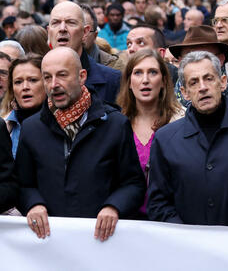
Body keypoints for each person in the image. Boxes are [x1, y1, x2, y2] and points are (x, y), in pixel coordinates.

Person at [15, 48, 145, 240]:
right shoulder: (31, 128)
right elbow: (22, 184)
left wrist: (113, 206)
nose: (54, 85)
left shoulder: (115, 124)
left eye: (62, 75)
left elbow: (133, 184)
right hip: (49, 243)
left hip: (101, 241)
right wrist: (33, 204)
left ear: (82, 76)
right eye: (47, 77)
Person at [147, 51, 228, 226]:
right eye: (194, 82)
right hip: (185, 248)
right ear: (184, 92)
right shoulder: (165, 139)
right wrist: (187, 238)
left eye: (209, 78)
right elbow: (158, 203)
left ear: (223, 82)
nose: (202, 87)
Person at [117, 49, 183, 216]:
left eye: (152, 72)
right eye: (138, 73)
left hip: (170, 221)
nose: (145, 80)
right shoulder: (115, 124)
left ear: (163, 81)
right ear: (129, 83)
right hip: (126, 222)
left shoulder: (182, 122)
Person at [168, 25, 228, 117]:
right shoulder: (164, 103)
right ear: (180, 62)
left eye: (206, 56)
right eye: (190, 57)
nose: (198, 62)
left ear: (220, 59)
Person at [48, 1, 121, 104]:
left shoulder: (112, 80)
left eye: (71, 22)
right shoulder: (34, 79)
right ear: (48, 31)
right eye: (55, 23)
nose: (62, 29)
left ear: (85, 32)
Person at [2, 55, 44, 157]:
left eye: (33, 80)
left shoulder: (63, 124)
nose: (25, 87)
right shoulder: (4, 126)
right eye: (18, 82)